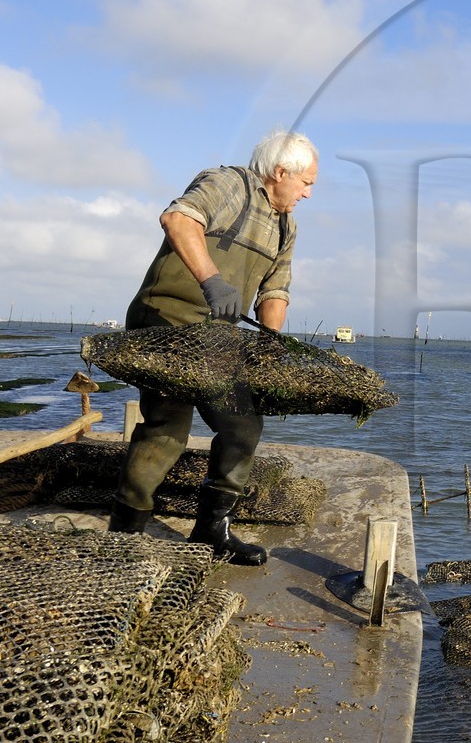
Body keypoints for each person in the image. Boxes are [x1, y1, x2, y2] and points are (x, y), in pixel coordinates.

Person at [107, 129, 319, 565]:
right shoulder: (229, 185)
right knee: (167, 428)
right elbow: (178, 220)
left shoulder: (285, 225)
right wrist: (213, 281)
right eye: (306, 182)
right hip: (164, 320)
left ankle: (211, 532)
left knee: (243, 426)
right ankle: (125, 535)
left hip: (215, 336)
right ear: (280, 172)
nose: (308, 194)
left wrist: (271, 344)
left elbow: (275, 290)